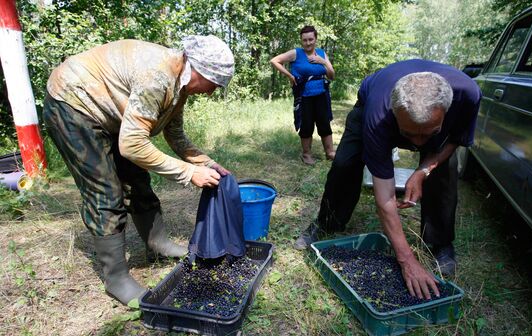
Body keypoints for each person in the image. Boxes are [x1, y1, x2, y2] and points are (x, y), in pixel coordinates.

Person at [43, 36, 234, 305]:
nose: (212, 92)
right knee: (106, 191)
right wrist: (189, 173)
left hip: (111, 113)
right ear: (198, 70)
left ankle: (157, 245)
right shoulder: (157, 76)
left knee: (137, 180)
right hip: (74, 104)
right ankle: (116, 279)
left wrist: (206, 163)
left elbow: (175, 134)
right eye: (213, 84)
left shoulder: (181, 84)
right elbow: (132, 144)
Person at [295, 59, 482, 300]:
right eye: (408, 134)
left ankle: (441, 243)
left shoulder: (468, 95)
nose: (417, 144)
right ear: (395, 114)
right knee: (345, 164)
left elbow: (456, 137)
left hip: (429, 119)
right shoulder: (379, 113)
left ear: (447, 111)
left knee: (444, 170)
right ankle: (328, 222)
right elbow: (385, 198)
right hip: (371, 104)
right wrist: (406, 260)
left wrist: (424, 170)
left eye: (427, 134)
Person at [270, 25, 336, 165]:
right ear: (301, 40)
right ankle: (306, 154)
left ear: (316, 39)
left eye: (310, 39)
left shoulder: (322, 54)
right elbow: (275, 61)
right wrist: (289, 76)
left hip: (322, 95)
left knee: (324, 122)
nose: (308, 43)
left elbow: (331, 76)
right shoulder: (296, 53)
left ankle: (330, 152)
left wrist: (323, 62)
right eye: (304, 40)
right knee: (306, 125)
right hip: (304, 96)